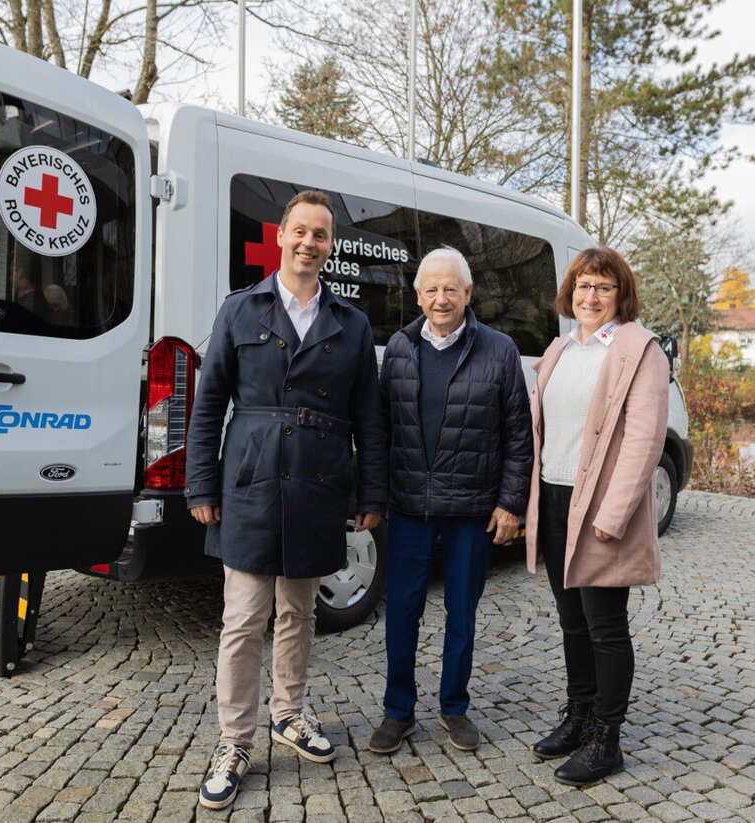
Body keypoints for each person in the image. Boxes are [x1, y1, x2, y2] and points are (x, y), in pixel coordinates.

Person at [185, 190, 386, 810]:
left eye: (320, 234)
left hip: (320, 483)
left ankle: (289, 714)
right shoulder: (240, 309)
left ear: (331, 245)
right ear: (280, 236)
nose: (308, 242)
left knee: (299, 613)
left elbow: (369, 418)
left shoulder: (352, 324)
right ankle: (233, 741)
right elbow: (209, 400)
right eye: (300, 230)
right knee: (243, 618)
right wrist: (200, 482)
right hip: (248, 480)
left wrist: (371, 490)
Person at [368, 247, 532, 755]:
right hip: (410, 507)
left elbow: (519, 436)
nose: (442, 299)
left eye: (451, 289)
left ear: (468, 294)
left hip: (472, 509)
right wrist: (374, 496)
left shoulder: (500, 350)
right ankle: (399, 711)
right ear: (418, 295)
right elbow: (381, 430)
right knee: (402, 614)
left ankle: (454, 707)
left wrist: (510, 504)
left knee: (462, 614)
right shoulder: (398, 347)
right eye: (432, 289)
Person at [524, 246, 667, 786]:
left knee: (606, 628)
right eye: (583, 286)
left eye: (603, 287)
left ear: (620, 294)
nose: (591, 296)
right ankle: (579, 715)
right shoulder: (560, 347)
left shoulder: (639, 349)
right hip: (556, 498)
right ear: (571, 292)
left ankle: (608, 738)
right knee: (571, 622)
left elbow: (645, 441)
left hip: (602, 511)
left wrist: (612, 516)